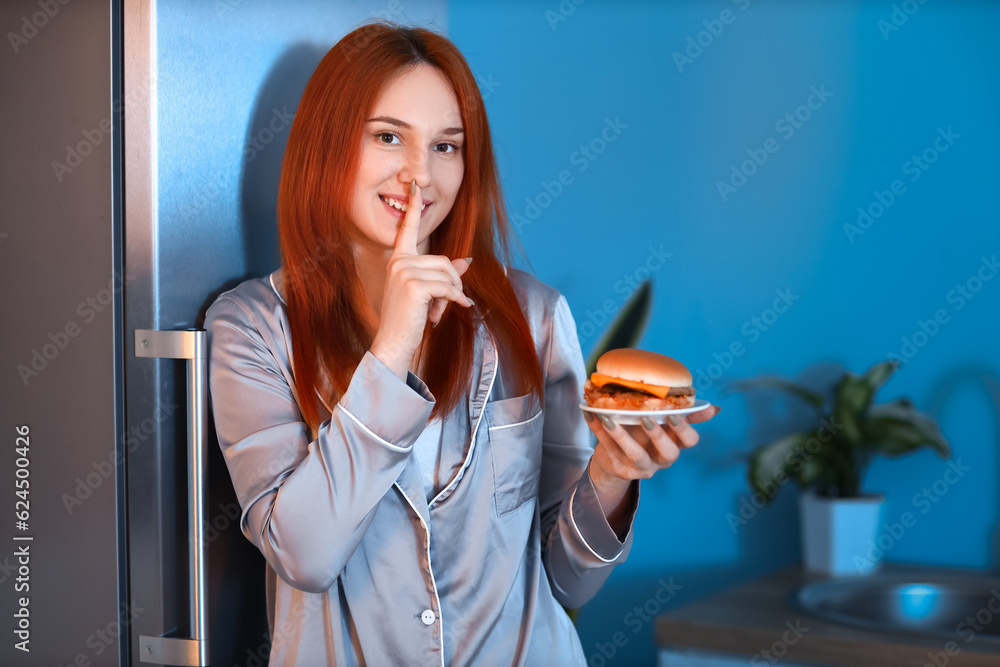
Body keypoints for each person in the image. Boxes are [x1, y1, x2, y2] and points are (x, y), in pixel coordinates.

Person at [205, 21, 720, 666]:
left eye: (446, 147)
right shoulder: (252, 328)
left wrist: (613, 476)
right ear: (328, 146)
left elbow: (567, 580)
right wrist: (393, 346)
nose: (419, 175)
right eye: (388, 137)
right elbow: (305, 556)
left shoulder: (530, 315)